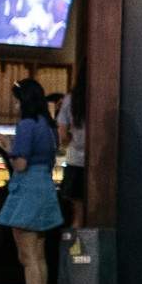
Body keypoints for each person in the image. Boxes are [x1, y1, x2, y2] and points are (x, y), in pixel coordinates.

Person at [0, 78, 63, 284]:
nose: (13, 103)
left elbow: (20, 164)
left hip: (27, 191)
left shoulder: (26, 125)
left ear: (23, 100)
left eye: (15, 98)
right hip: (44, 188)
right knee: (39, 255)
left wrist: (7, 147)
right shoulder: (48, 126)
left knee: (27, 256)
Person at [53, 87, 87, 244]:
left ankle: (74, 257)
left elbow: (63, 133)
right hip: (99, 163)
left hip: (75, 161)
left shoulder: (71, 99)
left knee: (76, 216)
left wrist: (71, 141)